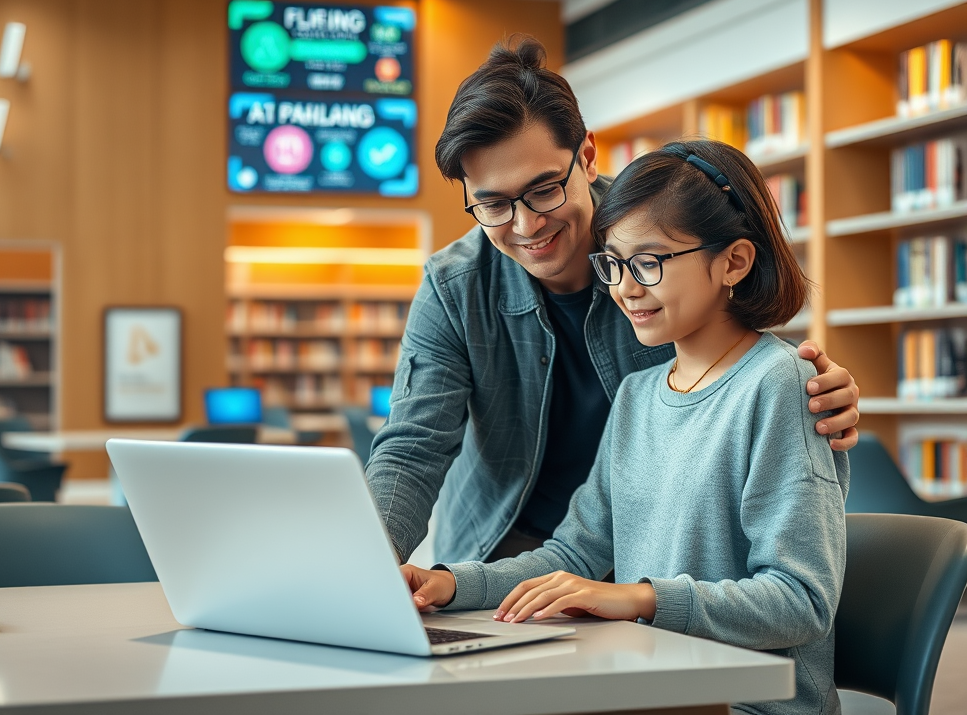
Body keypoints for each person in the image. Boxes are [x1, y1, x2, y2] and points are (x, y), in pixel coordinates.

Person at [365, 35, 859, 565]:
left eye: (544, 189)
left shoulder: (663, 229)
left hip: (656, 555)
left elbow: (739, 340)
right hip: (505, 554)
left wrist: (807, 391)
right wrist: (365, 564)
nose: (527, 225)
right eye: (493, 204)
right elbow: (413, 447)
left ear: (588, 156)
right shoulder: (454, 285)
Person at [401, 139, 848, 715]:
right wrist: (453, 584)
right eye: (612, 264)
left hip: (745, 701)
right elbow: (576, 554)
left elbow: (801, 600)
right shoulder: (638, 394)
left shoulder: (781, 384)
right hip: (653, 685)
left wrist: (638, 598)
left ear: (734, 261)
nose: (625, 288)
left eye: (649, 263)